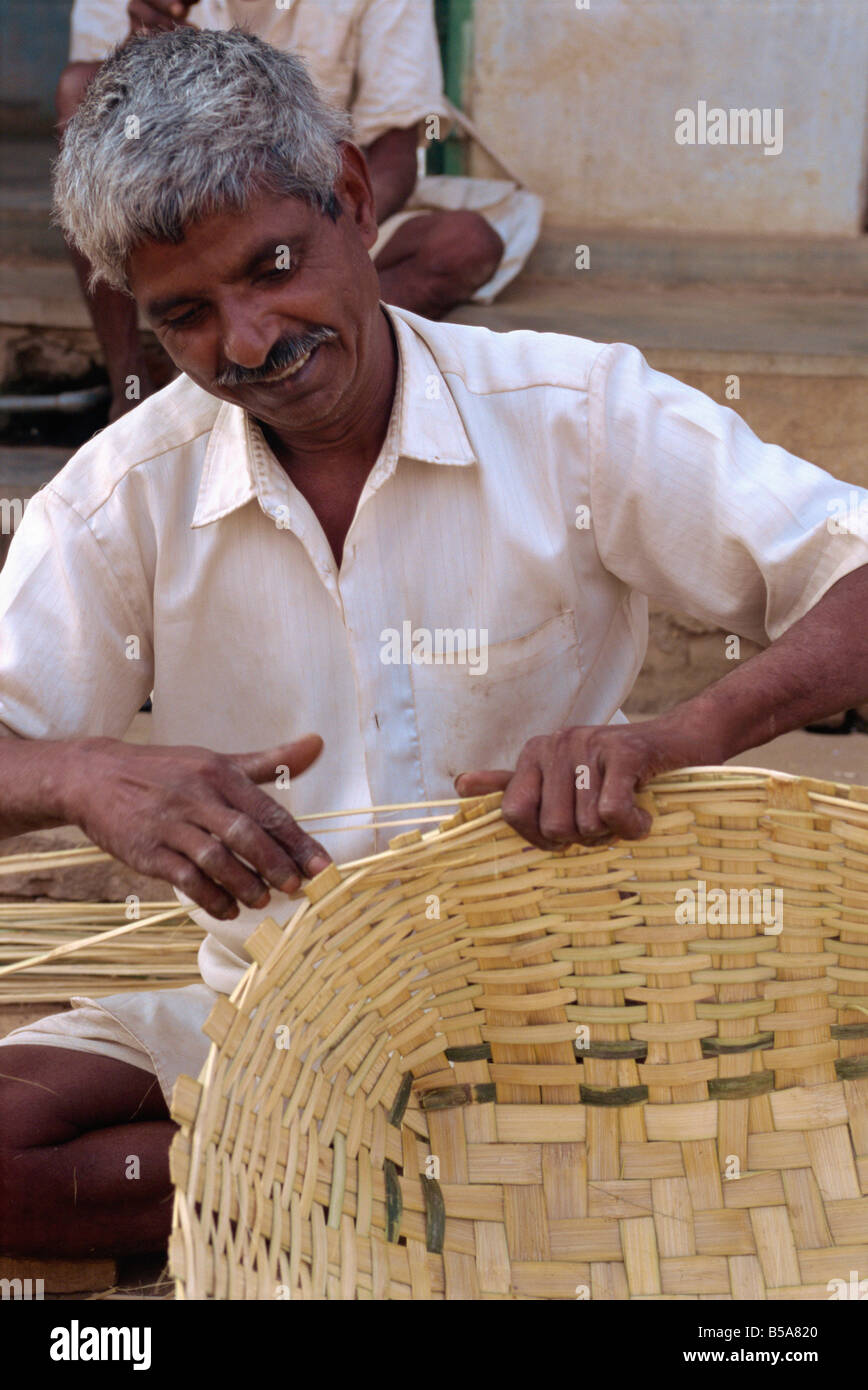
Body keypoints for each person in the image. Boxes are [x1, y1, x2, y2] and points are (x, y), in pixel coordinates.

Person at [2, 29, 868, 1259]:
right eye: (185, 316)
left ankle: (345, 1207)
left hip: (565, 1023)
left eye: (275, 267)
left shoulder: (572, 414)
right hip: (276, 1022)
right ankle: (414, 1202)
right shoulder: (119, 499)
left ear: (355, 197)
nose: (248, 343)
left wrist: (680, 735)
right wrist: (77, 775)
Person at [56, 0, 541, 419]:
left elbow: (395, 153)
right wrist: (140, 54)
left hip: (314, 211)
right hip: (175, 232)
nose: (247, 341)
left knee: (462, 245)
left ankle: (268, 372)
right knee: (82, 91)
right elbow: (97, 126)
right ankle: (131, 392)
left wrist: (325, 223)